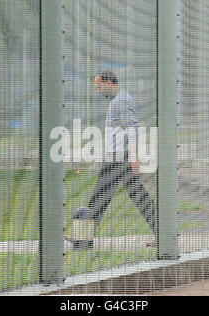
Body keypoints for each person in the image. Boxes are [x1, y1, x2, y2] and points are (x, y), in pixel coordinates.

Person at [66, 71, 156, 248]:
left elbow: (132, 128)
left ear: (109, 82)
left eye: (99, 87)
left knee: (102, 197)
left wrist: (134, 157)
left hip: (120, 159)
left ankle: (82, 239)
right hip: (116, 158)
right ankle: (164, 233)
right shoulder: (118, 100)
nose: (98, 91)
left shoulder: (121, 100)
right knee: (132, 197)